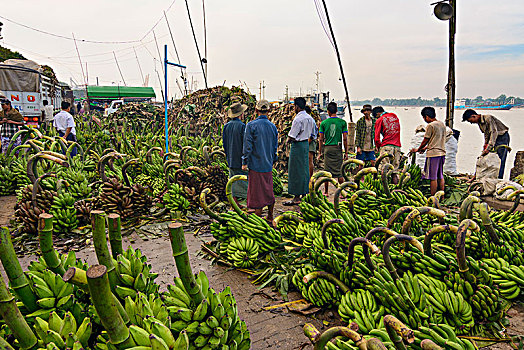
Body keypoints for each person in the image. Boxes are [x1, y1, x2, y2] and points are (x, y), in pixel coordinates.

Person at [242, 100, 278, 223]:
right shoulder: (273, 127)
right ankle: (270, 215)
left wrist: (244, 162)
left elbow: (247, 147)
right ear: (268, 111)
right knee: (268, 190)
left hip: (256, 164)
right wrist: (273, 160)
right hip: (267, 164)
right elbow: (274, 147)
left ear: (256, 111)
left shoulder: (251, 125)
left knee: (257, 193)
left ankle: (258, 221)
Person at [285, 97, 316, 205]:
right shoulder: (309, 118)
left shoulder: (298, 119)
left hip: (297, 145)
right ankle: (304, 193)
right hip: (305, 144)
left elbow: (292, 135)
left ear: (297, 107)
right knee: (304, 169)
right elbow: (313, 134)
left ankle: (296, 197)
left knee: (295, 170)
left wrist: (287, 141)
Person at [462, 109, 510, 179]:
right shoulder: (480, 123)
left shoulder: (488, 118)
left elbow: (494, 132)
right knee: (487, 158)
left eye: (470, 121)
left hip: (502, 137)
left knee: (500, 159)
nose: (471, 123)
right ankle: (488, 177)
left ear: (474, 116)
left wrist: (489, 147)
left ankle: (499, 178)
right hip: (492, 139)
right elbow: (486, 134)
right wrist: (485, 144)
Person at [411, 107, 446, 195]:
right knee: (440, 176)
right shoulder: (442, 124)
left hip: (433, 154)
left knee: (433, 177)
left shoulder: (431, 125)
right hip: (442, 153)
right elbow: (436, 140)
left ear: (426, 116)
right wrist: (425, 148)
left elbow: (425, 140)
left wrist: (418, 149)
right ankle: (441, 196)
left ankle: (433, 197)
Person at [318, 102, 348, 195]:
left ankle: (326, 192)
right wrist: (346, 152)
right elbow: (345, 138)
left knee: (327, 171)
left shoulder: (323, 123)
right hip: (337, 148)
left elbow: (321, 139)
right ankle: (342, 192)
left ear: (328, 111)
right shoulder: (342, 122)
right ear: (336, 111)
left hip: (327, 148)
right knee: (339, 171)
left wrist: (320, 152)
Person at [223, 101, 248, 204]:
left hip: (231, 157)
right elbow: (246, 143)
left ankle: (235, 204)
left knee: (232, 180)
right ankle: (248, 203)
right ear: (241, 114)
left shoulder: (226, 126)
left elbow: (224, 143)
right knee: (245, 180)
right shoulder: (242, 126)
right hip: (240, 158)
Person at [373, 106, 401, 174]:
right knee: (394, 171)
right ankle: (395, 184)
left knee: (383, 169)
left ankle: (383, 184)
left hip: (386, 146)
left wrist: (378, 147)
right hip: (397, 147)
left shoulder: (379, 120)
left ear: (377, 114)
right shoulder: (394, 116)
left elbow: (376, 138)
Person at [306, 105, 319, 178]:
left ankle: (310, 178)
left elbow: (312, 135)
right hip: (308, 141)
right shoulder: (310, 119)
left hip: (310, 141)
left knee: (309, 160)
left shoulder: (310, 120)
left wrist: (306, 143)